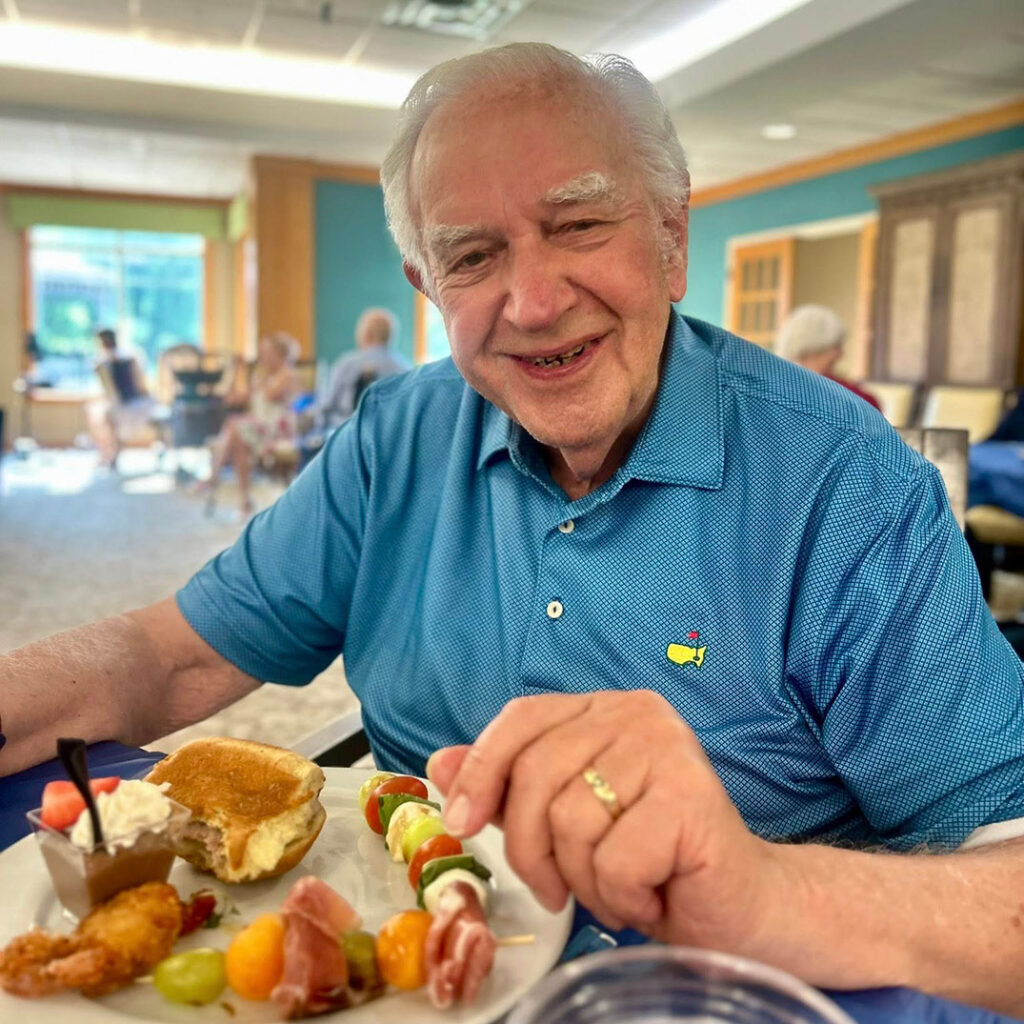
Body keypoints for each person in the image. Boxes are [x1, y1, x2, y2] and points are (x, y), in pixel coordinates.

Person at [3, 43, 1024, 1013]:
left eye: (579, 226)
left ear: (671, 239)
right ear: (427, 288)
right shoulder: (395, 437)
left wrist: (763, 887)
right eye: (472, 255)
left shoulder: (847, 488)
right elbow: (166, 657)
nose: (533, 301)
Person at [196, 332, 300, 516]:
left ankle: (213, 478)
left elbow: (269, 395)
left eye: (267, 353)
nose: (263, 358)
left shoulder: (287, 375)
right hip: (256, 427)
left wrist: (256, 382)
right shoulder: (262, 376)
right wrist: (237, 372)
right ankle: (244, 501)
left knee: (234, 426)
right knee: (238, 441)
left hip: (277, 428)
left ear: (279, 354)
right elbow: (232, 399)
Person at [314, 308, 410, 433]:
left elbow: (325, 408)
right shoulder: (405, 370)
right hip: (389, 439)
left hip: (346, 436)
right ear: (390, 337)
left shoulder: (346, 364)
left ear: (366, 335)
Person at [775, 304, 882, 411]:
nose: (841, 355)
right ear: (814, 347)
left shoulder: (773, 384)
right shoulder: (846, 395)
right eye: (836, 346)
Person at [86, 328, 156, 469]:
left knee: (105, 415)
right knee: (100, 413)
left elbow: (138, 384)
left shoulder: (122, 359)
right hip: (127, 402)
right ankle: (109, 453)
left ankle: (111, 453)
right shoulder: (122, 358)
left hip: (130, 403)